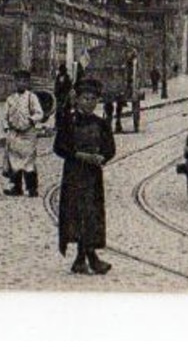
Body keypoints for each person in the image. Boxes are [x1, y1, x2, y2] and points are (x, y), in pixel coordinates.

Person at [54, 78, 116, 275]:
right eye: (85, 98)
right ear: (78, 99)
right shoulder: (68, 122)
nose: (89, 102)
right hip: (74, 174)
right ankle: (87, 258)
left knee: (91, 214)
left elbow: (110, 148)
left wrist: (102, 157)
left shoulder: (101, 123)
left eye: (93, 99)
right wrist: (80, 155)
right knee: (77, 213)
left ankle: (84, 258)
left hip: (92, 176)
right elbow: (59, 147)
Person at [2, 68, 46, 197]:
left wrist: (31, 120)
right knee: (14, 161)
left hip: (28, 134)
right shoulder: (10, 99)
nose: (21, 83)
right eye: (18, 81)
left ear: (28, 83)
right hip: (15, 133)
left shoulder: (31, 98)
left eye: (24, 81)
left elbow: (39, 113)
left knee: (28, 162)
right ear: (15, 83)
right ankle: (16, 186)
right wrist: (6, 127)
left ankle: (32, 188)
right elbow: (5, 116)